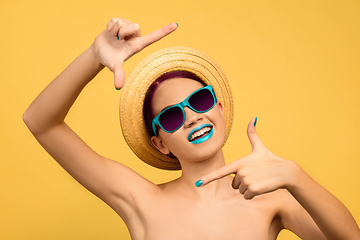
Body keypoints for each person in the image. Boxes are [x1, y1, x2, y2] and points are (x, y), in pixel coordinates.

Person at [23, 17, 360, 240]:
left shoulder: (272, 199)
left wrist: (295, 176)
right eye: (171, 116)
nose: (192, 116)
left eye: (199, 100)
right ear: (161, 143)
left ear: (220, 109)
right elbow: (40, 122)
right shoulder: (141, 199)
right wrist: (94, 56)